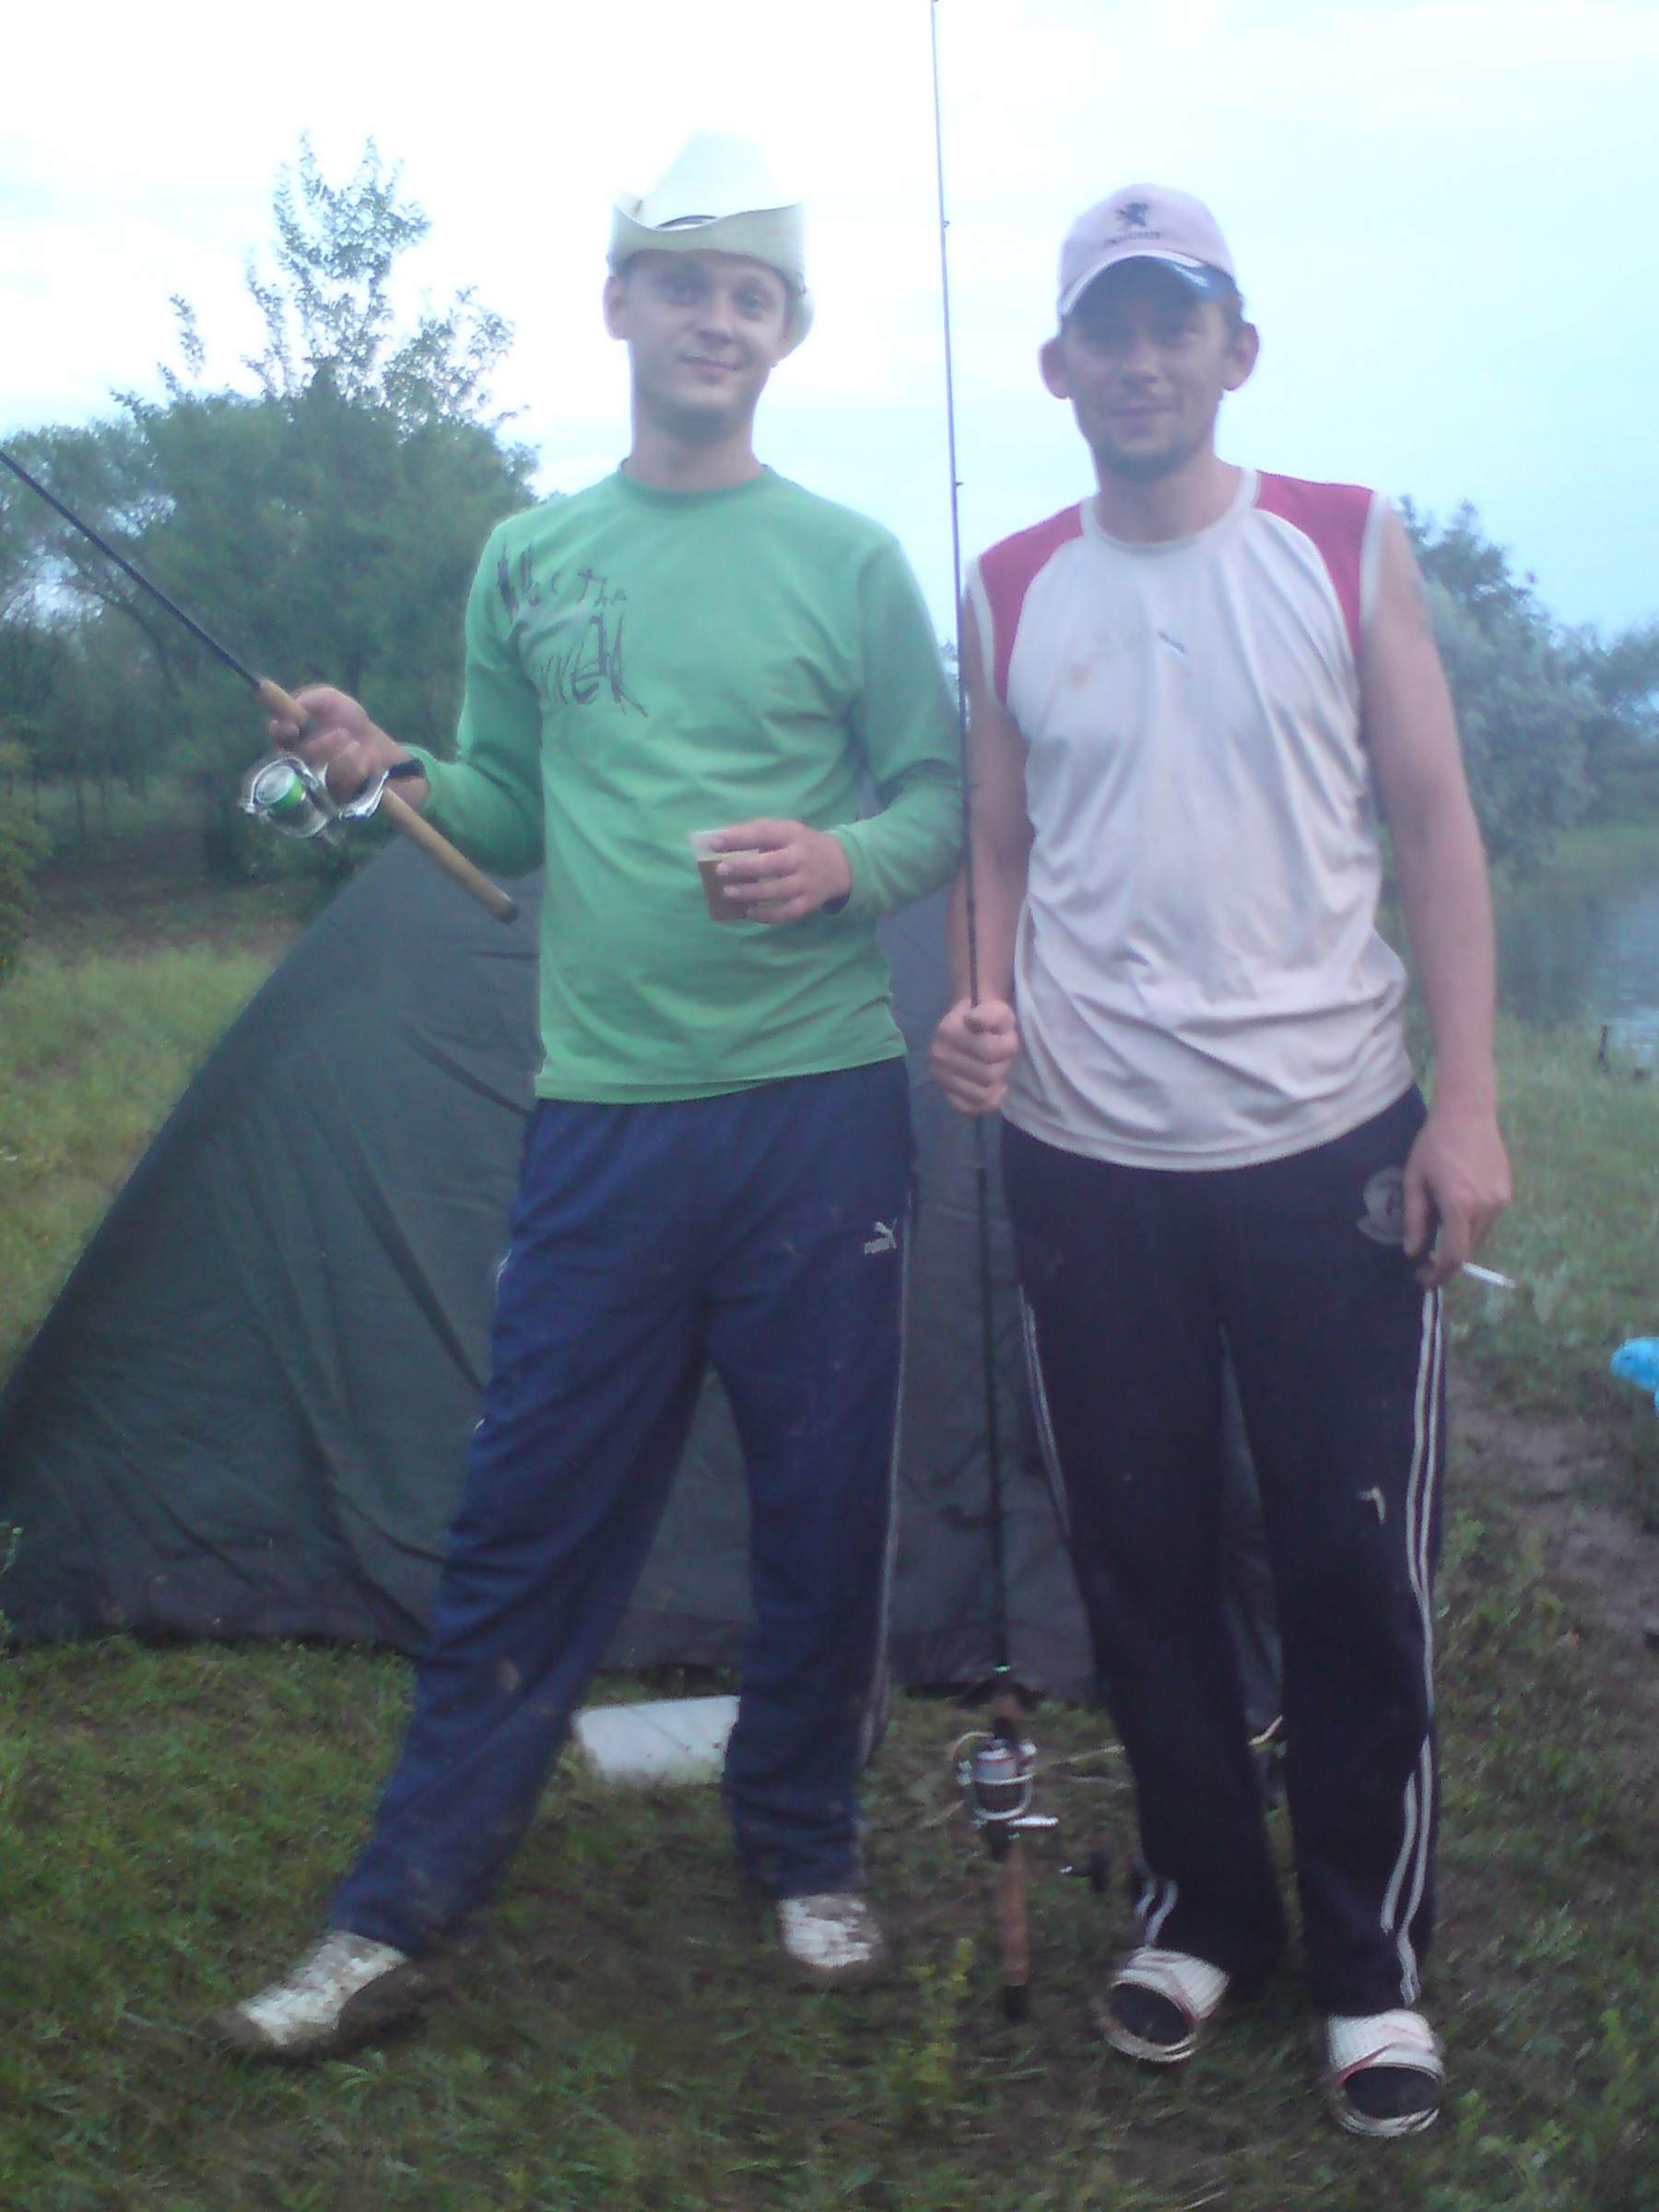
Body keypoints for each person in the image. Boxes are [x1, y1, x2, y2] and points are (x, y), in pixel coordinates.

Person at [218, 130, 960, 2058]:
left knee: (822, 1503)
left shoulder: (852, 560)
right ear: (620, 303)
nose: (717, 320)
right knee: (523, 1512)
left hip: (818, 1106)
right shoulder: (531, 558)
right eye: (684, 285)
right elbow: (504, 812)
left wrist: (844, 862)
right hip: (605, 1114)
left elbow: (942, 801)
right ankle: (397, 1906)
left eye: (752, 295)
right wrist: (389, 765)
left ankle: (803, 1845)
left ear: (788, 332)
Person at [930, 184, 1510, 2138]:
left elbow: (1434, 822)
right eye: (1109, 328)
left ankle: (1367, 1960)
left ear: (1235, 351)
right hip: (1087, 1161)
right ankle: (1202, 1907)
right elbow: (995, 844)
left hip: (1330, 1143)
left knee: (1353, 1564)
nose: (1142, 360)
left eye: (1175, 323)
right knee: (1144, 1555)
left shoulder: (1344, 541)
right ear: (1058, 366)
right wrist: (980, 999)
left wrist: (1467, 1103)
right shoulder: (1008, 584)